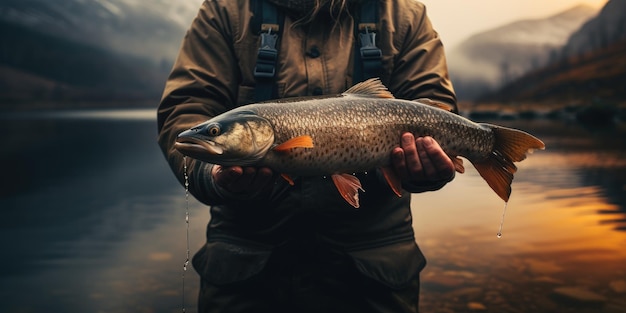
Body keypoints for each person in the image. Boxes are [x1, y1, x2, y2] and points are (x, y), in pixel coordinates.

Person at [157, 0, 457, 312]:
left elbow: (437, 110)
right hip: (246, 261)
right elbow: (185, 111)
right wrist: (213, 175)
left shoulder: (404, 13)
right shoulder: (225, 10)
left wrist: (424, 168)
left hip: (376, 264)